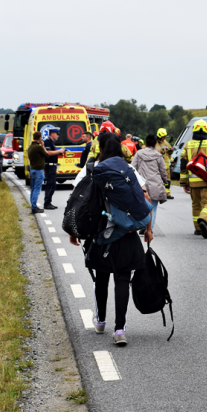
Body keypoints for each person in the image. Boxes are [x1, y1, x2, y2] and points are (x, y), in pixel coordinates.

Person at [69, 134, 153, 346]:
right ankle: (120, 330)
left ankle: (100, 321)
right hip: (127, 234)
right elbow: (146, 199)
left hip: (100, 236)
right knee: (123, 280)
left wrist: (74, 230)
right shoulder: (128, 169)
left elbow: (76, 200)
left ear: (100, 148)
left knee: (102, 278)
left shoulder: (91, 169)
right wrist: (148, 229)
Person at [179, 119, 207, 238]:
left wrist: (184, 182)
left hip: (193, 182)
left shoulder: (188, 144)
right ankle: (203, 220)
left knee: (196, 205)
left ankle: (197, 229)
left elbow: (183, 164)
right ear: (206, 129)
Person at [131, 134, 167, 229]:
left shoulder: (139, 154)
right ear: (155, 144)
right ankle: (149, 229)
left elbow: (132, 168)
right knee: (153, 208)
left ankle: (143, 226)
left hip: (141, 185)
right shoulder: (159, 156)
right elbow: (163, 171)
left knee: (141, 206)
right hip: (155, 184)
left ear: (145, 144)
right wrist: (165, 180)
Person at [26, 132, 51, 213]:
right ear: (39, 138)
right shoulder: (38, 147)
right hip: (38, 171)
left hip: (32, 169)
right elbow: (47, 155)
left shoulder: (30, 147)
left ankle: (33, 205)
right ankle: (34, 207)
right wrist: (43, 146)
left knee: (33, 189)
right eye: (41, 137)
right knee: (37, 189)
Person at [42, 126, 66, 210]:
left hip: (52, 166)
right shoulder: (48, 142)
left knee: (52, 184)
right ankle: (47, 203)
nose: (58, 136)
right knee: (51, 184)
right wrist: (59, 151)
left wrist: (58, 153)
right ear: (52, 134)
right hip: (49, 166)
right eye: (57, 134)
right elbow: (48, 153)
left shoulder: (51, 142)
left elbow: (52, 152)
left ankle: (48, 202)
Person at [155, 128, 174, 199]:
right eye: (163, 137)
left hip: (166, 166)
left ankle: (167, 194)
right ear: (159, 136)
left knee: (167, 180)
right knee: (158, 180)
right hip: (156, 165)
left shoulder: (166, 143)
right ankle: (158, 194)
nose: (164, 138)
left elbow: (169, 153)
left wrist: (172, 160)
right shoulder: (154, 143)